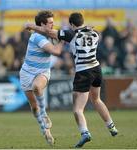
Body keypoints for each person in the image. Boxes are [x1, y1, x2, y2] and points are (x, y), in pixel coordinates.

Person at [25, 12, 118, 148]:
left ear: (72, 24)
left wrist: (30, 26)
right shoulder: (95, 33)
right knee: (97, 99)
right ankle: (112, 127)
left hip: (83, 71)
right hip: (97, 69)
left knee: (77, 109)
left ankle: (85, 133)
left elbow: (49, 31)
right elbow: (90, 31)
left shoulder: (71, 34)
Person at [20, 10, 64, 145]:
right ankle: (45, 131)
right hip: (27, 73)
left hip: (42, 71)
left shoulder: (48, 33)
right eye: (50, 23)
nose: (53, 25)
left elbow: (56, 33)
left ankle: (44, 114)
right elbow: (56, 51)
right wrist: (62, 41)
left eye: (53, 22)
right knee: (34, 107)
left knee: (37, 87)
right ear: (42, 24)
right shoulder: (37, 37)